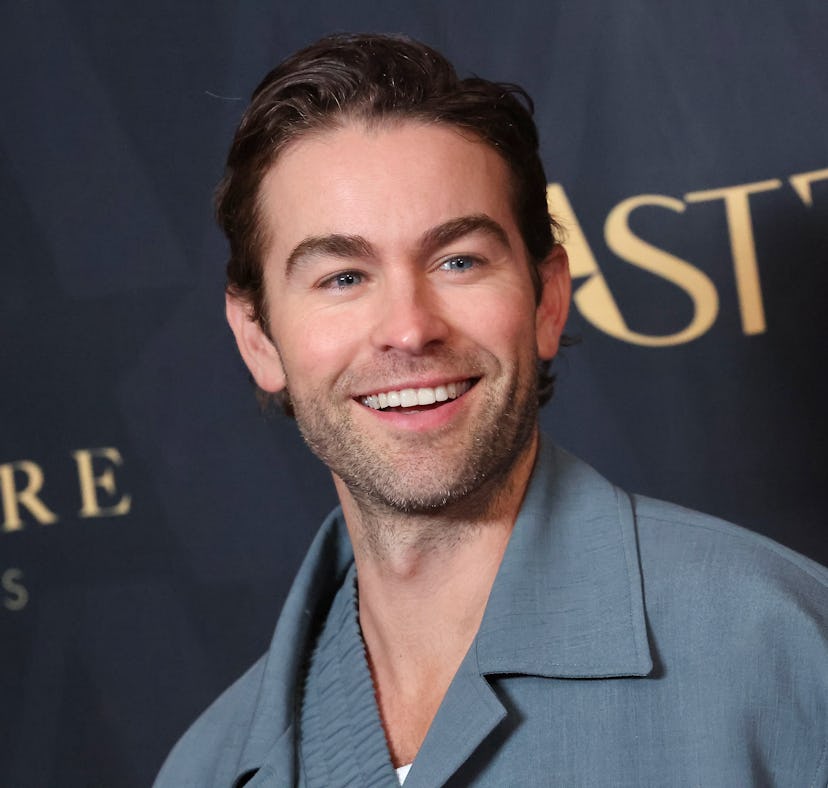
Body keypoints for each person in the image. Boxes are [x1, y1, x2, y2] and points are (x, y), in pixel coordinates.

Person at [155, 33, 828, 787]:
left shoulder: (779, 648)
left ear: (547, 298)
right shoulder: (207, 770)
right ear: (258, 338)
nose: (409, 328)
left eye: (458, 262)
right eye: (343, 277)